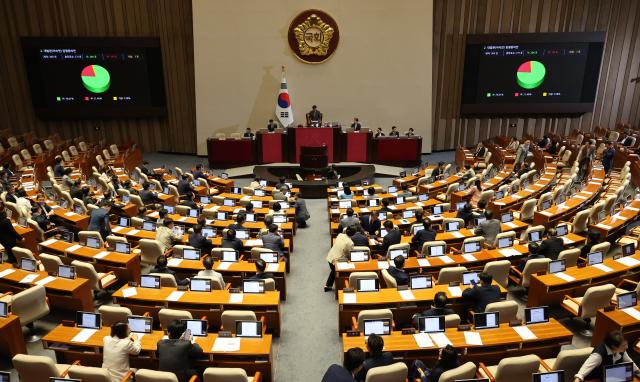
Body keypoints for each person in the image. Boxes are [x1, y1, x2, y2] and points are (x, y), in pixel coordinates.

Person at [574, 330, 640, 382]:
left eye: (626, 344)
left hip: (611, 377)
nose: (627, 347)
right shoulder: (598, 354)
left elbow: (629, 362)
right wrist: (577, 379)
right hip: (596, 379)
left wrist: (638, 372)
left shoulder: (621, 350)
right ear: (614, 346)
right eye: (623, 346)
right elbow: (582, 373)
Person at [325, 226, 356, 291]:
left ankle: (328, 286)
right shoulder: (350, 243)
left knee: (333, 271)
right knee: (338, 272)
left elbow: (344, 230)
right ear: (353, 234)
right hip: (337, 261)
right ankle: (338, 287)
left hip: (330, 256)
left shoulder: (340, 235)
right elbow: (350, 254)